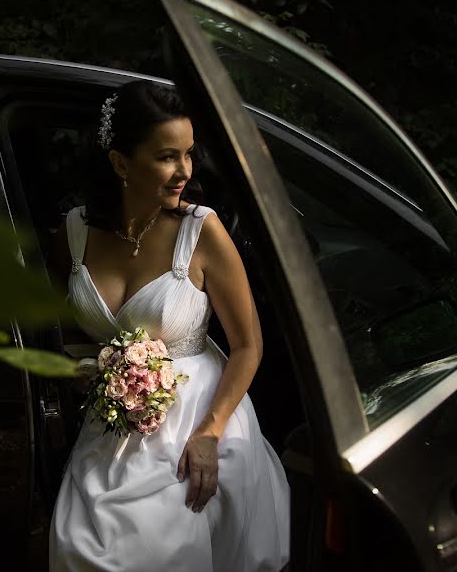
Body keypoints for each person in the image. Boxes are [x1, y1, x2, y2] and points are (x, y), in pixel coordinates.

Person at [49, 80, 291, 571]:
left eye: (188, 155)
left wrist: (209, 434)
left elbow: (248, 346)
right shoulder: (73, 233)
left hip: (197, 422)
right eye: (166, 157)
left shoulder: (201, 230)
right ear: (120, 163)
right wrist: (80, 371)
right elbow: (70, 337)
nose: (184, 171)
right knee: (83, 546)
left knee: (166, 548)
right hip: (111, 426)